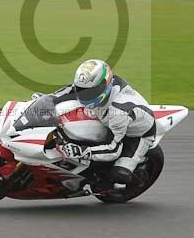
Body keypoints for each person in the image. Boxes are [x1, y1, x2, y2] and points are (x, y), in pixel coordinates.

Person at [50, 59, 155, 187]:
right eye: (82, 89)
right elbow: (68, 91)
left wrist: (82, 151)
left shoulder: (118, 112)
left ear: (105, 85)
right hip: (108, 117)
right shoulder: (90, 84)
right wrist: (46, 99)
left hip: (137, 134)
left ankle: (105, 181)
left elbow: (114, 149)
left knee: (119, 175)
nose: (84, 95)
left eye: (90, 91)